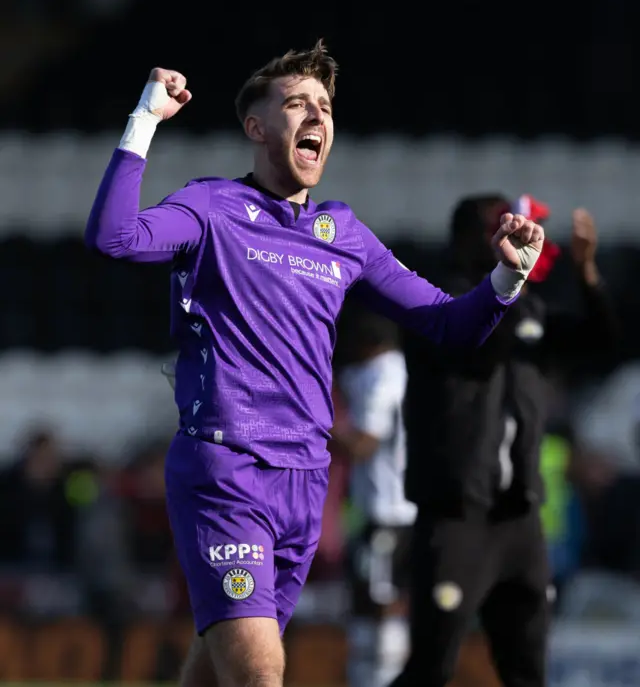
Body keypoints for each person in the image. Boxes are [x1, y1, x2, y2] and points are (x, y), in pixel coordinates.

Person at [85, 41, 545, 687]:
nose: (316, 117)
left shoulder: (343, 233)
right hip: (229, 468)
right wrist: (145, 121)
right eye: (297, 104)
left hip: (306, 482)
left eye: (324, 107)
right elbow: (115, 237)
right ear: (256, 126)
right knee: (260, 672)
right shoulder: (212, 206)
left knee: (219, 671)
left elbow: (450, 324)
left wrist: (505, 276)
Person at [393, 194, 619, 687]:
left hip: (519, 519)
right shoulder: (434, 303)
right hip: (457, 516)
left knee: (527, 672)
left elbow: (601, 341)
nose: (512, 232)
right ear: (463, 239)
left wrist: (585, 272)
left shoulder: (529, 305)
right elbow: (479, 349)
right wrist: (508, 283)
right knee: (431, 669)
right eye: (496, 226)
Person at [330, 309, 415, 687]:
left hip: (389, 511)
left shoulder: (385, 378)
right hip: (380, 509)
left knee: (384, 603)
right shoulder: (378, 372)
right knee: (366, 599)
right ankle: (368, 676)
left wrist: (315, 426)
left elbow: (364, 443)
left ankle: (383, 679)